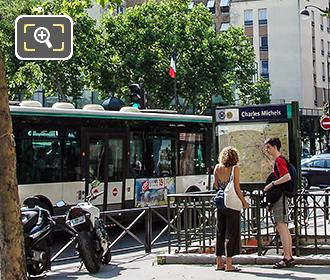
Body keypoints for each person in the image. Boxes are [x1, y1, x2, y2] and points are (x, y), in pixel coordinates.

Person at [214, 146, 249, 272]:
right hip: (231, 203)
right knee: (231, 232)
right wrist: (244, 201)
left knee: (220, 231)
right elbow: (237, 188)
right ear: (235, 157)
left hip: (220, 202)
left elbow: (216, 185)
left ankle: (219, 262)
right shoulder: (235, 169)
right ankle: (229, 264)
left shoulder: (217, 168)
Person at [263, 137, 295, 268]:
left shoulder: (279, 160)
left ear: (275, 147)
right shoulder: (282, 159)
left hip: (280, 197)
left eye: (268, 147)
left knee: (281, 227)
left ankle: (287, 257)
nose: (267, 150)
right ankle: (289, 256)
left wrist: (271, 184)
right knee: (283, 227)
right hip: (283, 197)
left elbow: (287, 176)